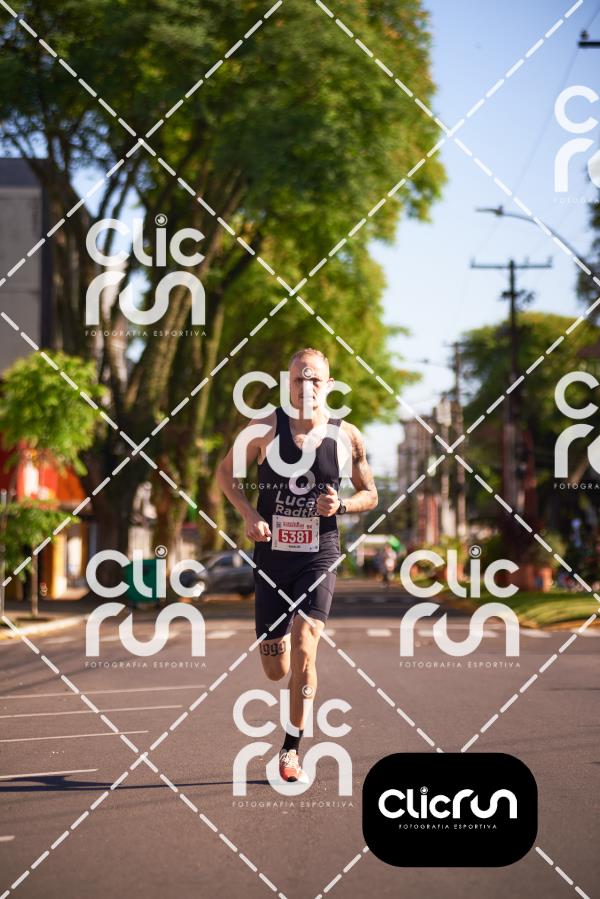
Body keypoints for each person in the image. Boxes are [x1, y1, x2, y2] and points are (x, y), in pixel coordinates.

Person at [217, 348, 378, 782]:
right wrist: (250, 514)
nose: (306, 387)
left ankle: (290, 751)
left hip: (319, 553)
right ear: (287, 384)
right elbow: (225, 474)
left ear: (329, 385)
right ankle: (279, 647)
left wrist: (342, 506)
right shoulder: (264, 428)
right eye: (298, 379)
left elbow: (371, 494)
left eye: (314, 379)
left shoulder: (347, 437)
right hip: (272, 558)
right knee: (277, 670)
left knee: (307, 646)